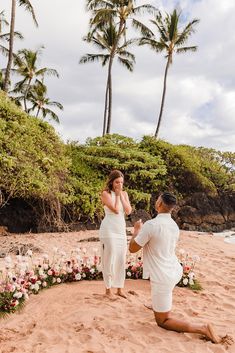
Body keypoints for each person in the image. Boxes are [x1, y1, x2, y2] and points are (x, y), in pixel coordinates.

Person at [129, 192, 221, 344]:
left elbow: (132, 248)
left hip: (163, 277)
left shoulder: (151, 225)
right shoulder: (174, 226)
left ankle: (203, 328)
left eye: (157, 199)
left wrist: (137, 230)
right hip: (174, 270)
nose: (156, 201)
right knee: (161, 294)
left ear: (159, 204)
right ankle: (158, 303)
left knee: (163, 321)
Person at [99, 170, 132, 298]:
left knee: (121, 259)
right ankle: (108, 290)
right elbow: (116, 210)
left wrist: (122, 196)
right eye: (117, 182)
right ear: (112, 182)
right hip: (108, 230)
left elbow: (128, 211)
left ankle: (119, 288)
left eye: (121, 182)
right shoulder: (105, 194)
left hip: (120, 230)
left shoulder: (124, 194)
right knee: (110, 257)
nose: (119, 185)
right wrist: (117, 196)